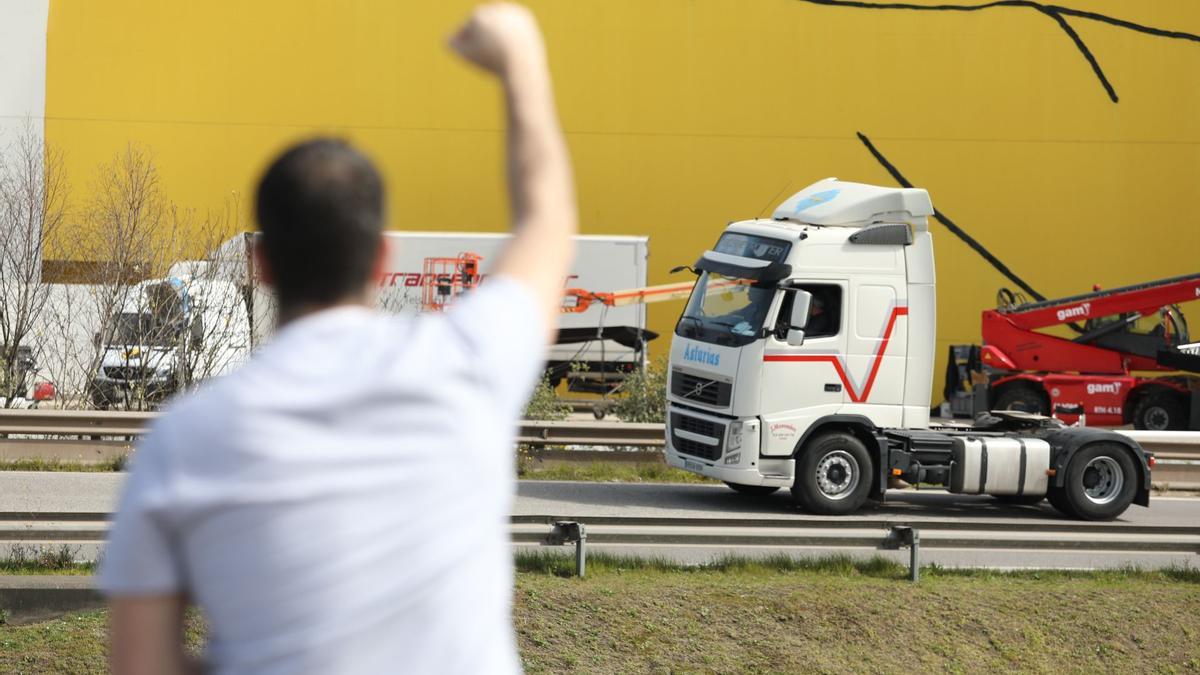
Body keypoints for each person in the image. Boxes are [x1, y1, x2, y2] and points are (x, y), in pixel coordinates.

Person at [99, 4, 576, 673]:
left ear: (261, 267)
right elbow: (548, 218)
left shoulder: (183, 438)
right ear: (383, 257)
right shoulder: (464, 366)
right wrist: (521, 58)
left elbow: (139, 664)